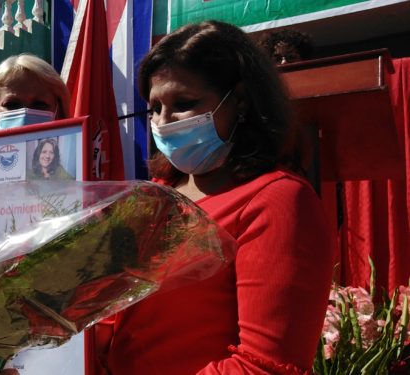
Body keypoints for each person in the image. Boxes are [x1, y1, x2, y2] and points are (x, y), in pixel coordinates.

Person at [93, 21, 335, 374]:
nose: (164, 121)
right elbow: (118, 320)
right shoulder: (156, 195)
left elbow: (264, 366)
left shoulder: (277, 200)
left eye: (184, 103)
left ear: (240, 100)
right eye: (154, 107)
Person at [0, 54, 70, 131]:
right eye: (11, 105)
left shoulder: (80, 150)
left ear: (59, 114)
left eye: (40, 105)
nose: (25, 115)